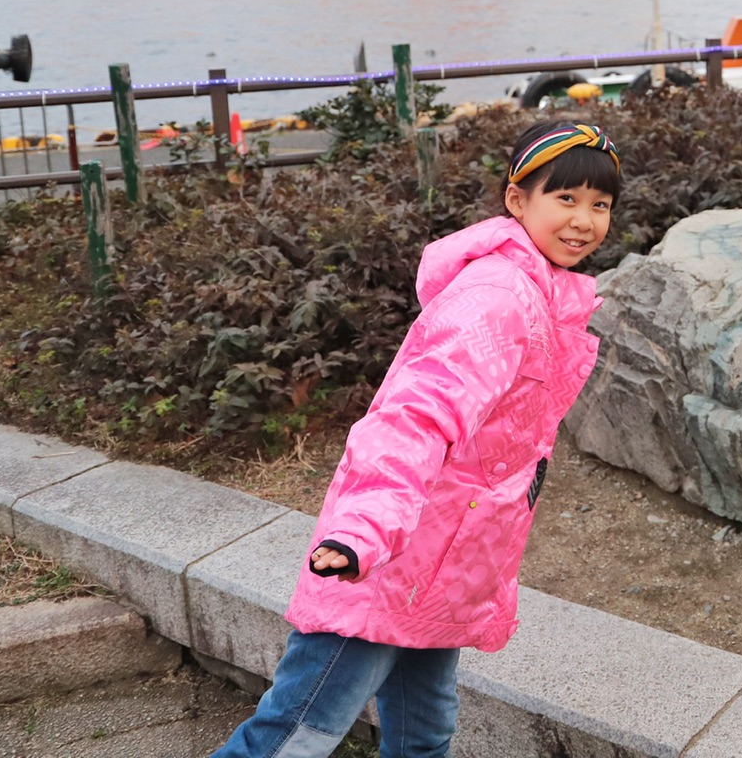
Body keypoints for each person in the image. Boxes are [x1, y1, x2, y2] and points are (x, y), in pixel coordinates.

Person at [211, 120, 620, 758]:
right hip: (391, 554)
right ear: (518, 200)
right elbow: (415, 416)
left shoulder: (543, 294)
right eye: (565, 199)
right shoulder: (496, 298)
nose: (584, 221)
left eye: (600, 205)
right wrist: (365, 530)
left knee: (424, 732)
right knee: (295, 733)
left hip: (447, 560)